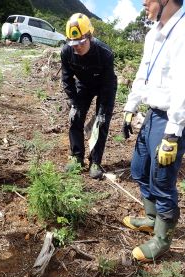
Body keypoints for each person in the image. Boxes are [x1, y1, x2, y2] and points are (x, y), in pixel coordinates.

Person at [122, 0, 185, 262]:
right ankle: (150, 219)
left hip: (172, 118)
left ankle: (162, 240)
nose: (144, 2)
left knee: (162, 181)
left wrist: (173, 134)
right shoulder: (154, 34)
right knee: (138, 169)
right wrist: (131, 106)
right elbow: (143, 73)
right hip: (152, 114)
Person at [61, 13, 117, 179]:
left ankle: (95, 161)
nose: (76, 47)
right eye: (73, 43)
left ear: (90, 37)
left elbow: (107, 85)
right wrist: (73, 102)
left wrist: (102, 111)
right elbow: (66, 78)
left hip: (104, 86)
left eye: (80, 43)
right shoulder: (66, 52)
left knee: (100, 123)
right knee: (76, 117)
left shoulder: (105, 53)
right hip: (84, 83)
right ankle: (77, 157)